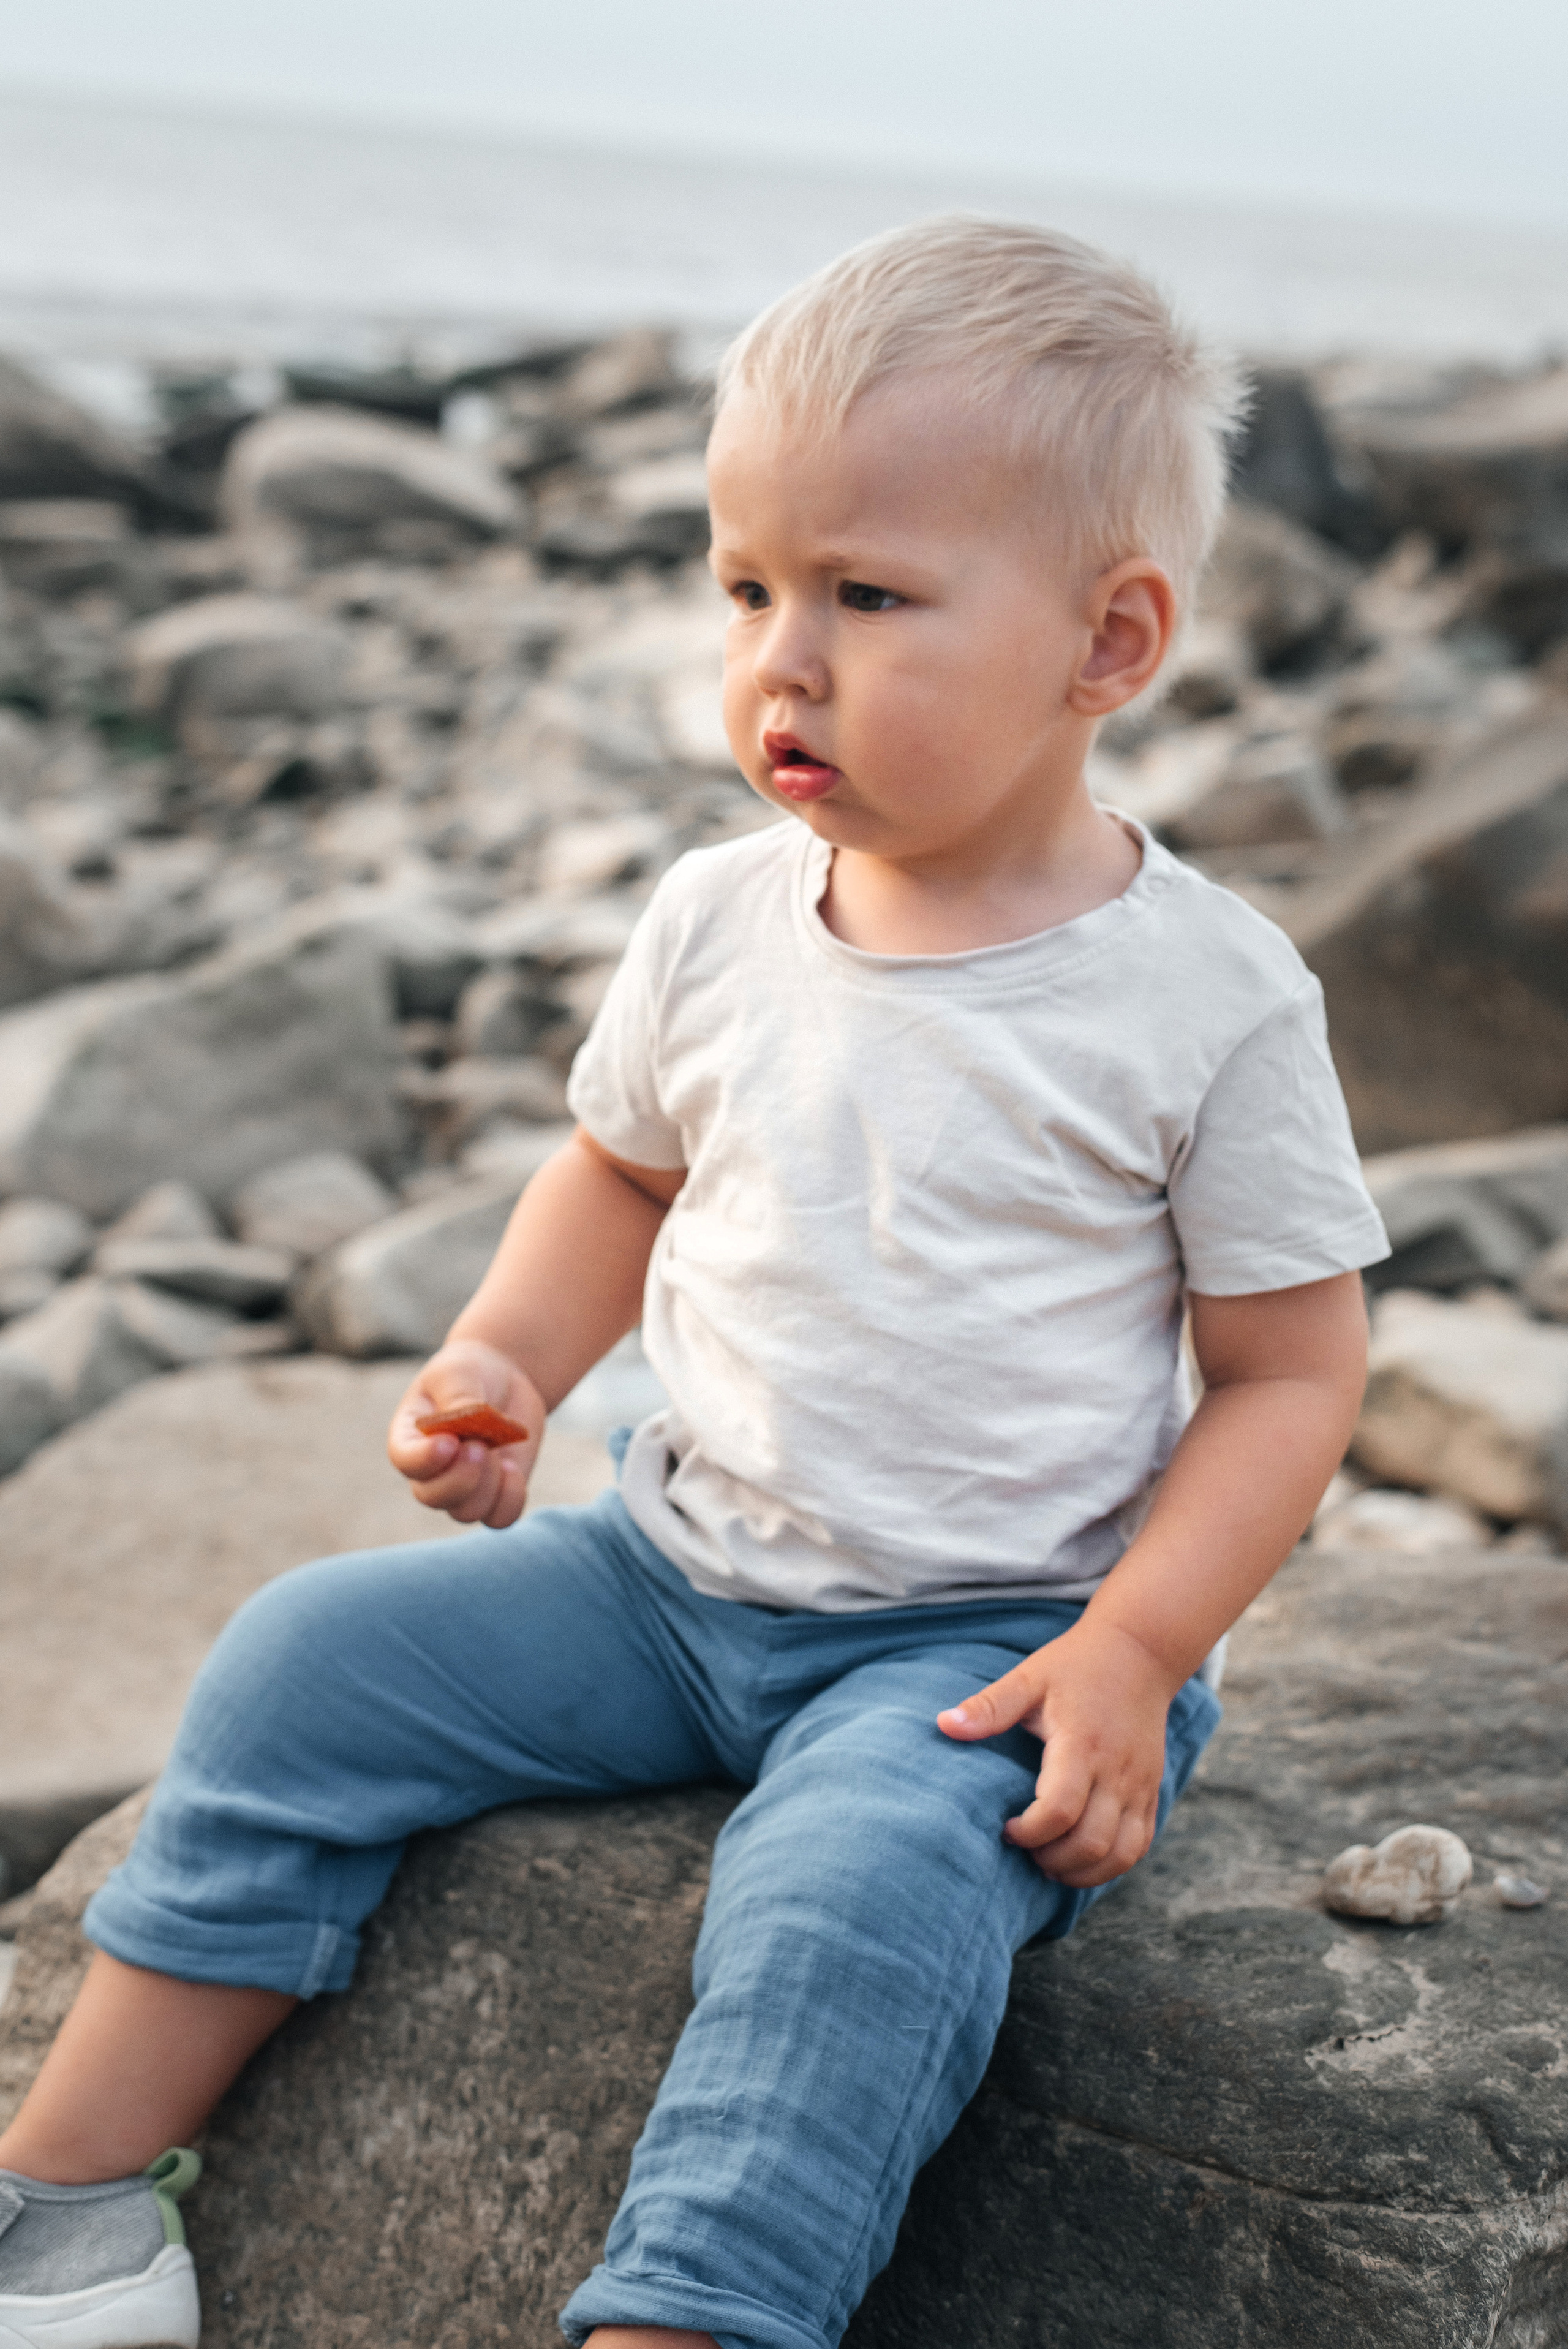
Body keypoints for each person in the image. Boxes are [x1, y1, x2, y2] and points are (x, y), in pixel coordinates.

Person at [0, 216, 1387, 2349]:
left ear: (1112, 643)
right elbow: (617, 1174)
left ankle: (694, 2314)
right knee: (302, 1660)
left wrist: (1135, 1645)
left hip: (987, 1637)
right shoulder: (722, 916)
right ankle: (72, 2205)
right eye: (746, 587)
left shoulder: (1201, 994)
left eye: (869, 596)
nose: (782, 662)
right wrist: (503, 1358)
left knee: (849, 1900)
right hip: (666, 1574)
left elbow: (1294, 1374)